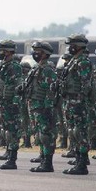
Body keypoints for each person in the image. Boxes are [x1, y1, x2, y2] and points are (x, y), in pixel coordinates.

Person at [60, 34, 93, 175]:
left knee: (80, 132)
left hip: (78, 102)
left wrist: (81, 100)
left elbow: (86, 84)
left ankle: (82, 165)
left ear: (79, 45)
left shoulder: (83, 62)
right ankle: (79, 160)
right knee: (74, 132)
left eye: (72, 44)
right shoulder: (74, 61)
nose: (70, 47)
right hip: (71, 100)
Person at [26, 41, 58, 172]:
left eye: (38, 51)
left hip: (43, 107)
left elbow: (52, 91)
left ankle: (47, 163)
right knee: (40, 134)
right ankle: (44, 161)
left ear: (45, 54)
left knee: (46, 135)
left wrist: (48, 108)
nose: (35, 53)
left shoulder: (48, 70)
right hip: (35, 106)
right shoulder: (36, 69)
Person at [0, 40, 23, 170]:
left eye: (2, 50)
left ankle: (12, 159)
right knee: (6, 130)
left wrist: (15, 103)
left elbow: (18, 85)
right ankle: (9, 153)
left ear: (9, 51)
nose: (0, 53)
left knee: (11, 131)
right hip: (2, 102)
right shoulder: (3, 65)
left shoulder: (14, 66)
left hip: (10, 103)